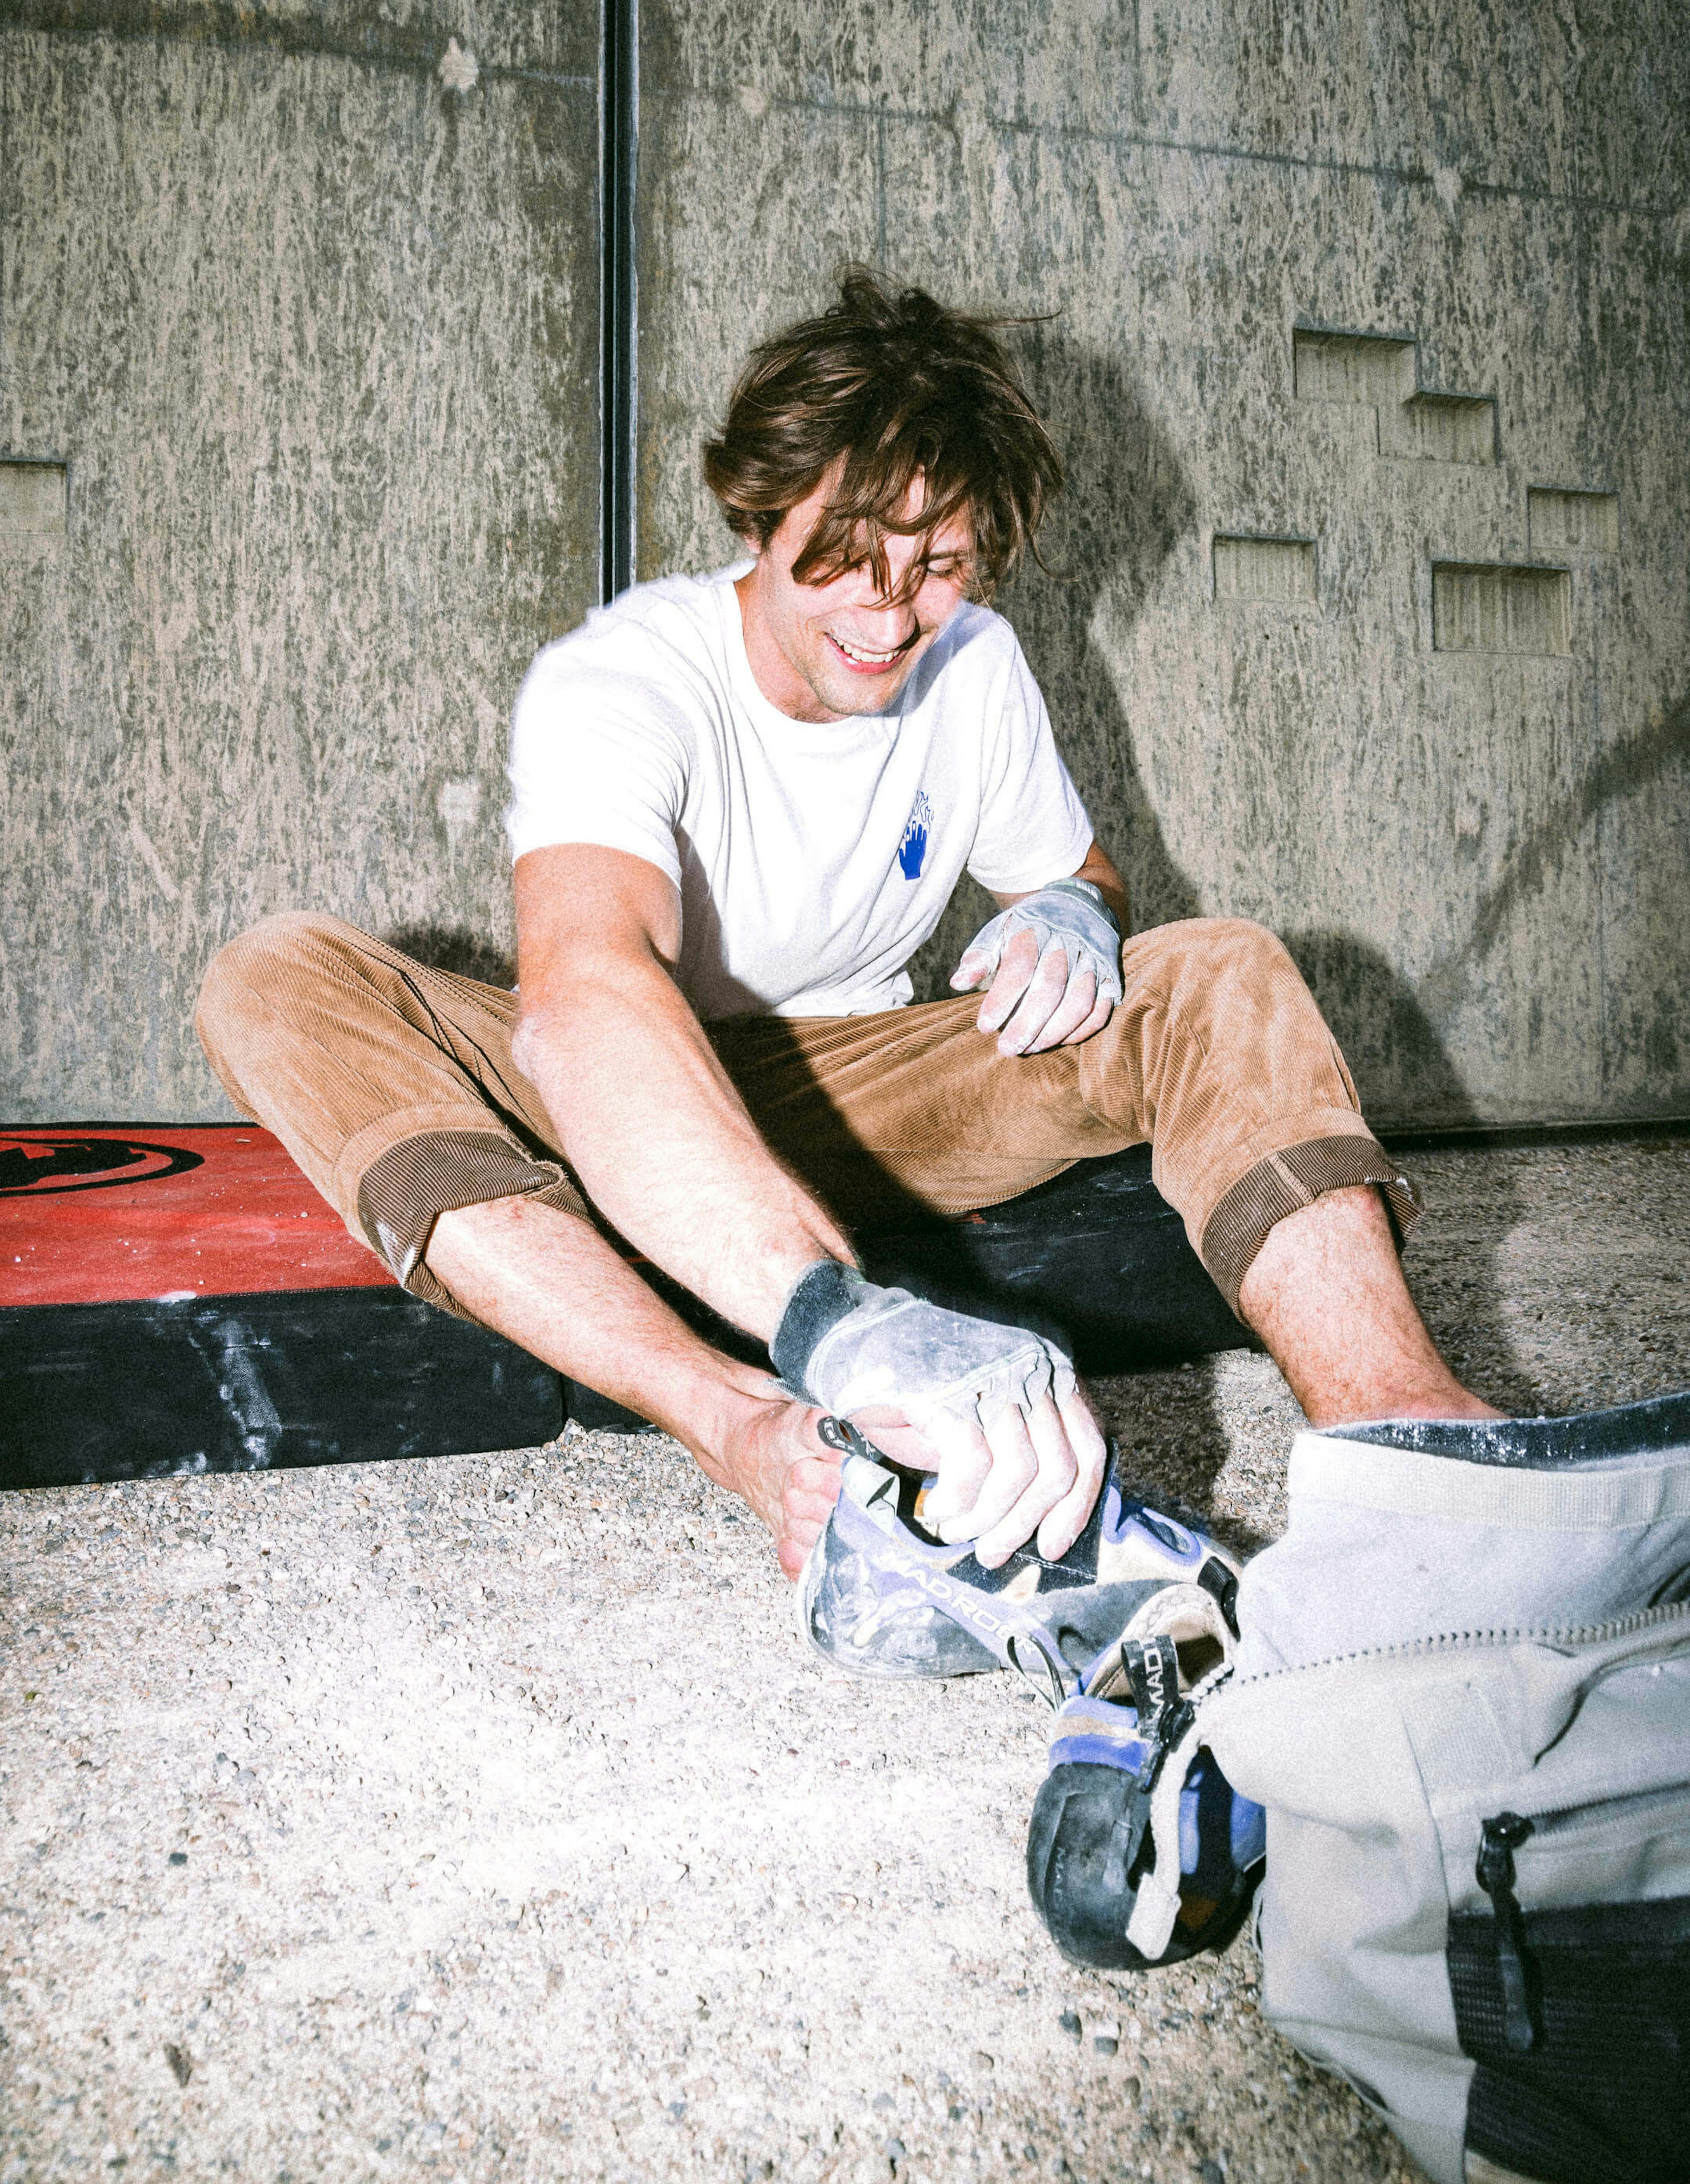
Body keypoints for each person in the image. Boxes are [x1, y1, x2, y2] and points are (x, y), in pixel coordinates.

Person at [196, 271, 1492, 1592]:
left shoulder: (975, 665)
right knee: (278, 973)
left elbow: (1082, 872)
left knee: (1213, 968)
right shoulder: (627, 677)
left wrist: (1074, 909)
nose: (888, 620)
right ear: (761, 512)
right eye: (847, 562)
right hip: (626, 1096)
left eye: (936, 568)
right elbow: (588, 986)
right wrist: (832, 1320)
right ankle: (736, 1419)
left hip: (865, 1089)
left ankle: (1413, 1444)